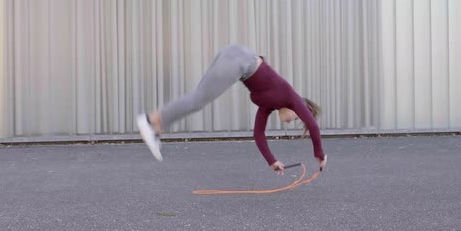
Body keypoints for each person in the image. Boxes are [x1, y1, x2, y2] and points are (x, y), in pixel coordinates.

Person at [136, 44, 328, 175]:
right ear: (298, 107)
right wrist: (319, 154)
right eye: (296, 119)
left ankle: (157, 125)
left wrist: (272, 161)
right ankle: (151, 121)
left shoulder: (268, 105)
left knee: (198, 96)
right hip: (241, 62)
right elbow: (313, 126)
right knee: (198, 100)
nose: (290, 121)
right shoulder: (291, 97)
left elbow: (258, 133)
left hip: (236, 56)